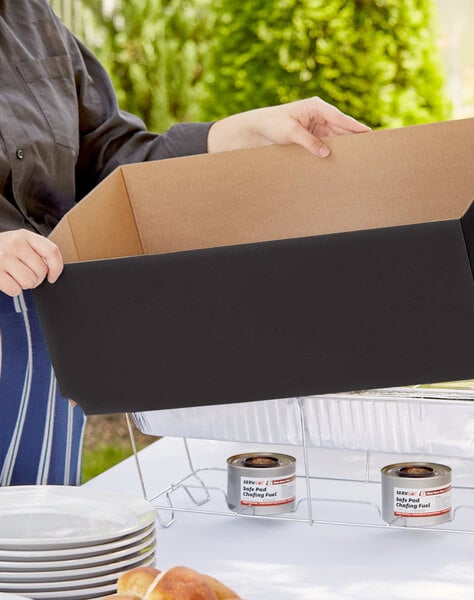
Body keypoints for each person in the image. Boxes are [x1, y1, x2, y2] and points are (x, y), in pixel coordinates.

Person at [0, 1, 369, 486]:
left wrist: (237, 133)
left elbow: (106, 158)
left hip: (41, 333)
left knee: (42, 541)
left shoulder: (30, 16)